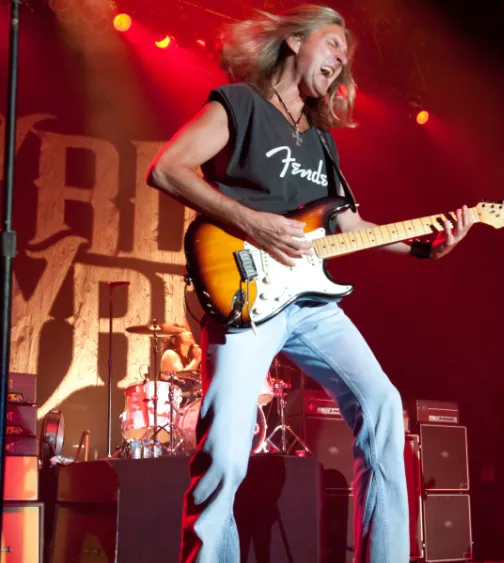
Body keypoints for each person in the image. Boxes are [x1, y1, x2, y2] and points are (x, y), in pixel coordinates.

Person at [146, 5, 474, 561]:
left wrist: (425, 246)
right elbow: (167, 167)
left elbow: (349, 226)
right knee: (225, 455)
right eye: (333, 44)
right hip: (244, 293)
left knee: (382, 406)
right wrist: (252, 223)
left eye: (346, 54)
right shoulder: (240, 104)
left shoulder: (322, 142)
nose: (343, 58)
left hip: (309, 301)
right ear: (296, 42)